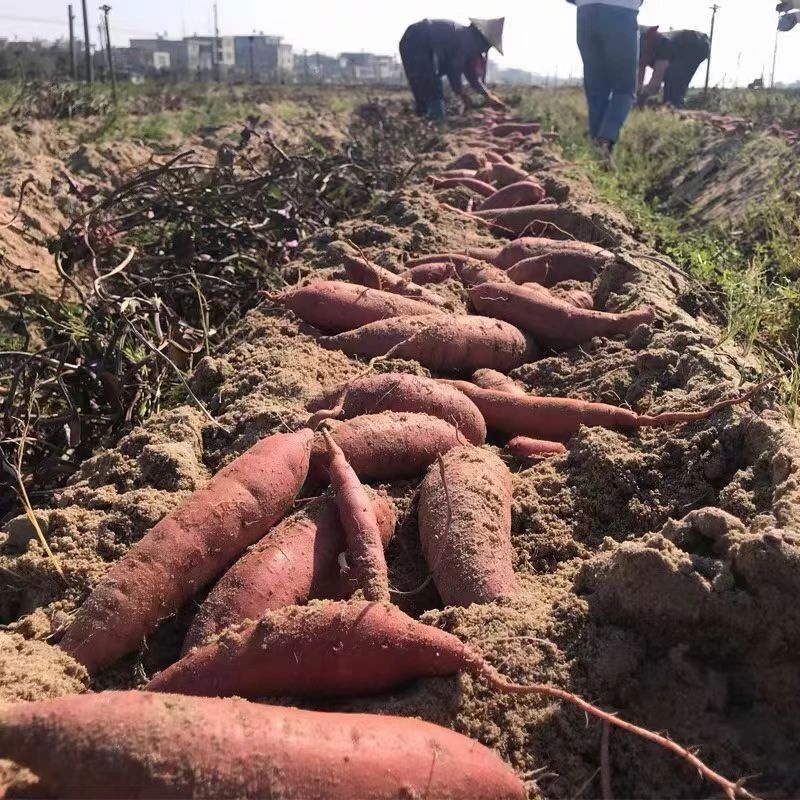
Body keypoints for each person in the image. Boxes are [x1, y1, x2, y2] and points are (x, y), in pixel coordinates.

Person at [569, 0, 643, 165]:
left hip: (586, 14)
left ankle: (599, 152)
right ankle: (605, 138)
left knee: (596, 90)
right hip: (621, 12)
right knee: (624, 89)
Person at [399, 18, 507, 121]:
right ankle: (436, 122)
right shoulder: (465, 39)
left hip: (411, 39)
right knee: (430, 86)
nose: (483, 51)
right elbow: (454, 70)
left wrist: (487, 95)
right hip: (419, 40)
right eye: (486, 47)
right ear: (481, 40)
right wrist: (462, 95)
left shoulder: (464, 40)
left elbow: (471, 74)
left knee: (421, 88)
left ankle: (424, 123)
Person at [638, 26, 711, 108]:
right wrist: (637, 92)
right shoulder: (643, 49)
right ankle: (673, 106)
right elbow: (639, 77)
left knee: (673, 78)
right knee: (671, 78)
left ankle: (674, 107)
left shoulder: (662, 44)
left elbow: (656, 82)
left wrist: (641, 97)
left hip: (695, 43)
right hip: (691, 43)